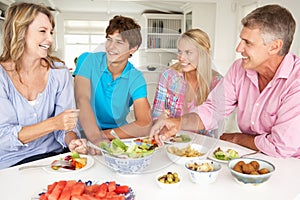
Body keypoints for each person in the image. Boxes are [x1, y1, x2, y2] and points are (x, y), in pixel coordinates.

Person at [149, 4, 300, 158]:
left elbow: (280, 147)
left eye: (248, 43)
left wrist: (235, 138)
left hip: (289, 165)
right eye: (241, 40)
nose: (239, 48)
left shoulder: (296, 82)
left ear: (274, 47)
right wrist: (178, 123)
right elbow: (213, 109)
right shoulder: (239, 69)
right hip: (250, 156)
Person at [0, 2, 87, 169]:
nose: (50, 39)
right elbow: (3, 138)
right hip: (11, 165)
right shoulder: (2, 77)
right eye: (42, 31)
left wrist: (72, 141)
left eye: (51, 32)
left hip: (54, 158)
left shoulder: (59, 72)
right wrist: (54, 123)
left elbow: (66, 126)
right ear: (20, 32)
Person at [73, 15, 152, 145]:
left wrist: (103, 135)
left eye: (119, 42)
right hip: (84, 133)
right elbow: (82, 99)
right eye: (109, 39)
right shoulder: (88, 60)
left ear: (133, 49)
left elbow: (144, 123)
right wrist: (94, 137)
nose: (110, 47)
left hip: (117, 134)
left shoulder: (135, 77)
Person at [152, 28, 222, 137]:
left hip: (202, 145)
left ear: (204, 53)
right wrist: (160, 119)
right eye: (180, 51)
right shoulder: (168, 76)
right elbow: (156, 115)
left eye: (188, 52)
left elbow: (214, 125)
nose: (181, 58)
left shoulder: (217, 82)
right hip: (171, 140)